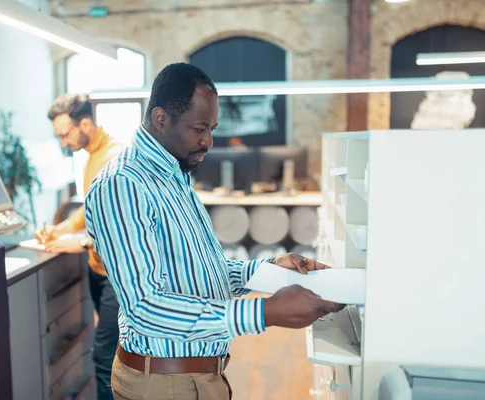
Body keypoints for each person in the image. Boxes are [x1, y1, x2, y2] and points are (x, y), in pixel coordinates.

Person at [84, 63, 343, 400]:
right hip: (164, 383)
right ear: (161, 118)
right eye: (199, 128)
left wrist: (266, 272)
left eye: (212, 128)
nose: (209, 141)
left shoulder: (174, 174)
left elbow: (202, 274)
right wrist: (264, 313)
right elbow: (145, 307)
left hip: (200, 376)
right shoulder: (123, 185)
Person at [36, 94, 124, 400]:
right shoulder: (91, 157)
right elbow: (91, 209)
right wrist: (60, 228)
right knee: (114, 353)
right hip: (98, 272)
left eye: (64, 135)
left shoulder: (115, 159)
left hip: (118, 278)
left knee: (105, 358)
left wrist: (81, 241)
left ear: (84, 123)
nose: (63, 143)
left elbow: (121, 225)